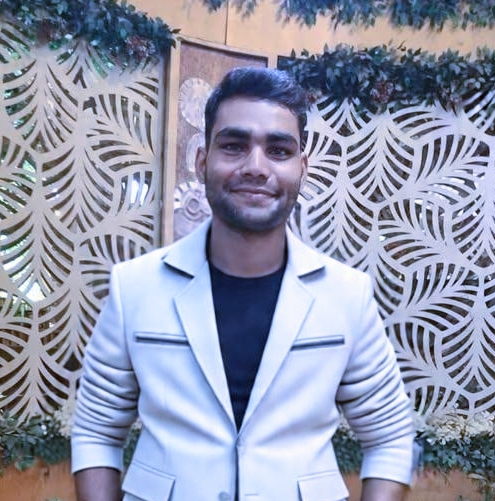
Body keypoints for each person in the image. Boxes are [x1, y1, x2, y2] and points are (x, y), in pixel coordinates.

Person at [71, 66, 415, 501]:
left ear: (302, 168)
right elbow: (97, 430)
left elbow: (390, 438)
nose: (256, 167)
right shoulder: (135, 288)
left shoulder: (347, 296)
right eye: (234, 146)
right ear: (202, 161)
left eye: (278, 150)